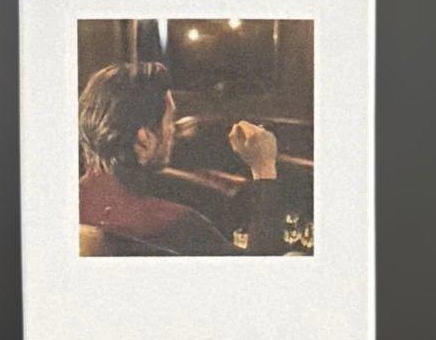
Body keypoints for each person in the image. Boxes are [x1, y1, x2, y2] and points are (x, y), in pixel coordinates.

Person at [78, 62, 284, 255]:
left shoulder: (67, 207)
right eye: (170, 120)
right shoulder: (179, 226)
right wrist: (264, 167)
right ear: (144, 139)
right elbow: (261, 272)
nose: (173, 131)